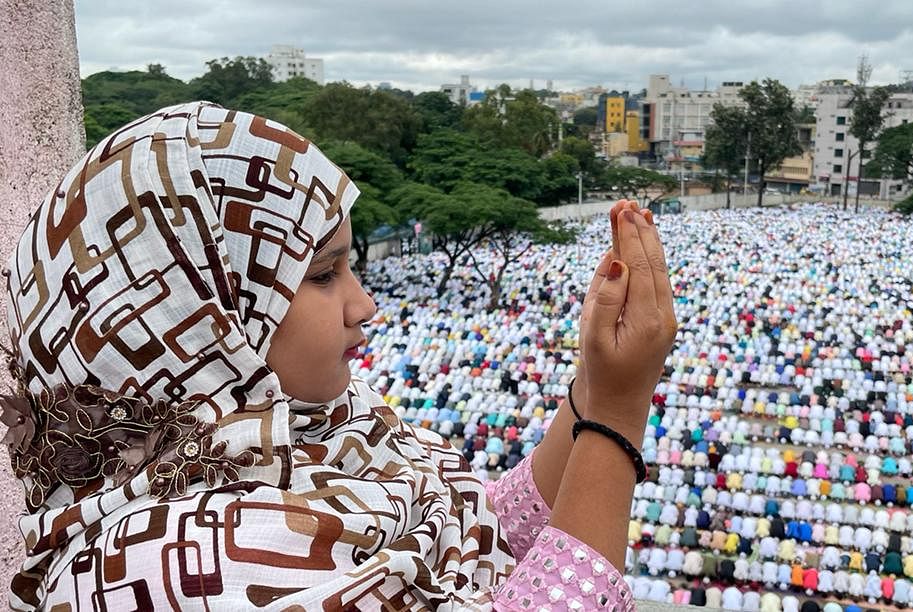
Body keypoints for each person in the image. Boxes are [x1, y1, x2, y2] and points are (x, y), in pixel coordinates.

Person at [0, 102, 677, 610]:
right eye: (325, 275)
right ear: (209, 313)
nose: (365, 306)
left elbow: (484, 523)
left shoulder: (304, 433)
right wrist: (617, 418)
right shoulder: (163, 568)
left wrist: (592, 386)